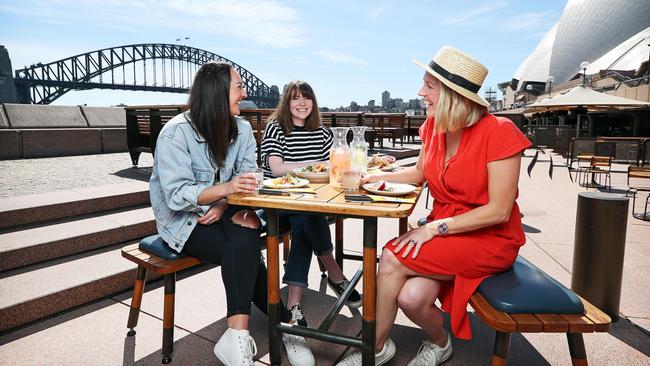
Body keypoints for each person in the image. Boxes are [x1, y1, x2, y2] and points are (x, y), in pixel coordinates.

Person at [337, 46, 532, 366]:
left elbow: (498, 210)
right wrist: (372, 176)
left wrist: (432, 228)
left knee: (389, 258)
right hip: (445, 229)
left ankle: (375, 346)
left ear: (454, 95)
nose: (420, 92)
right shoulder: (432, 128)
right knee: (412, 299)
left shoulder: (500, 133)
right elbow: (418, 174)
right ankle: (441, 343)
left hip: (490, 237)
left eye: (429, 86)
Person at [149, 61, 281, 366]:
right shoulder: (175, 134)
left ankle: (237, 337)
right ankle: (285, 324)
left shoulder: (243, 128)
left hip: (224, 206)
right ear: (217, 92)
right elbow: (177, 196)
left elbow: (248, 176)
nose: (245, 93)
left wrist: (223, 201)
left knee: (245, 228)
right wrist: (227, 190)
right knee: (244, 244)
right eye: (238, 87)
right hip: (183, 219)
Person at [259, 80, 365, 366]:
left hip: (313, 202)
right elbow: (276, 167)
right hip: (277, 202)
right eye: (295, 99)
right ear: (287, 103)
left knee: (306, 217)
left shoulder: (321, 130)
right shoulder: (276, 128)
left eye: (306, 98)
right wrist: (309, 168)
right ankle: (335, 273)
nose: (302, 103)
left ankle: (294, 305)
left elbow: (335, 165)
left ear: (313, 102)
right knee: (306, 214)